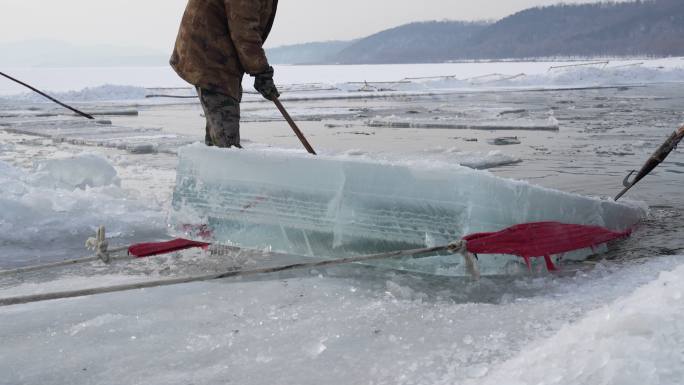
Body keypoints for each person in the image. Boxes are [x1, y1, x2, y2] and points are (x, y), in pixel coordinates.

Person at [170, 0, 280, 148]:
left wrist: (260, 71)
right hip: (210, 58)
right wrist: (261, 71)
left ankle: (214, 161)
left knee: (220, 130)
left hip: (219, 57)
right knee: (227, 140)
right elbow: (244, 31)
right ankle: (224, 162)